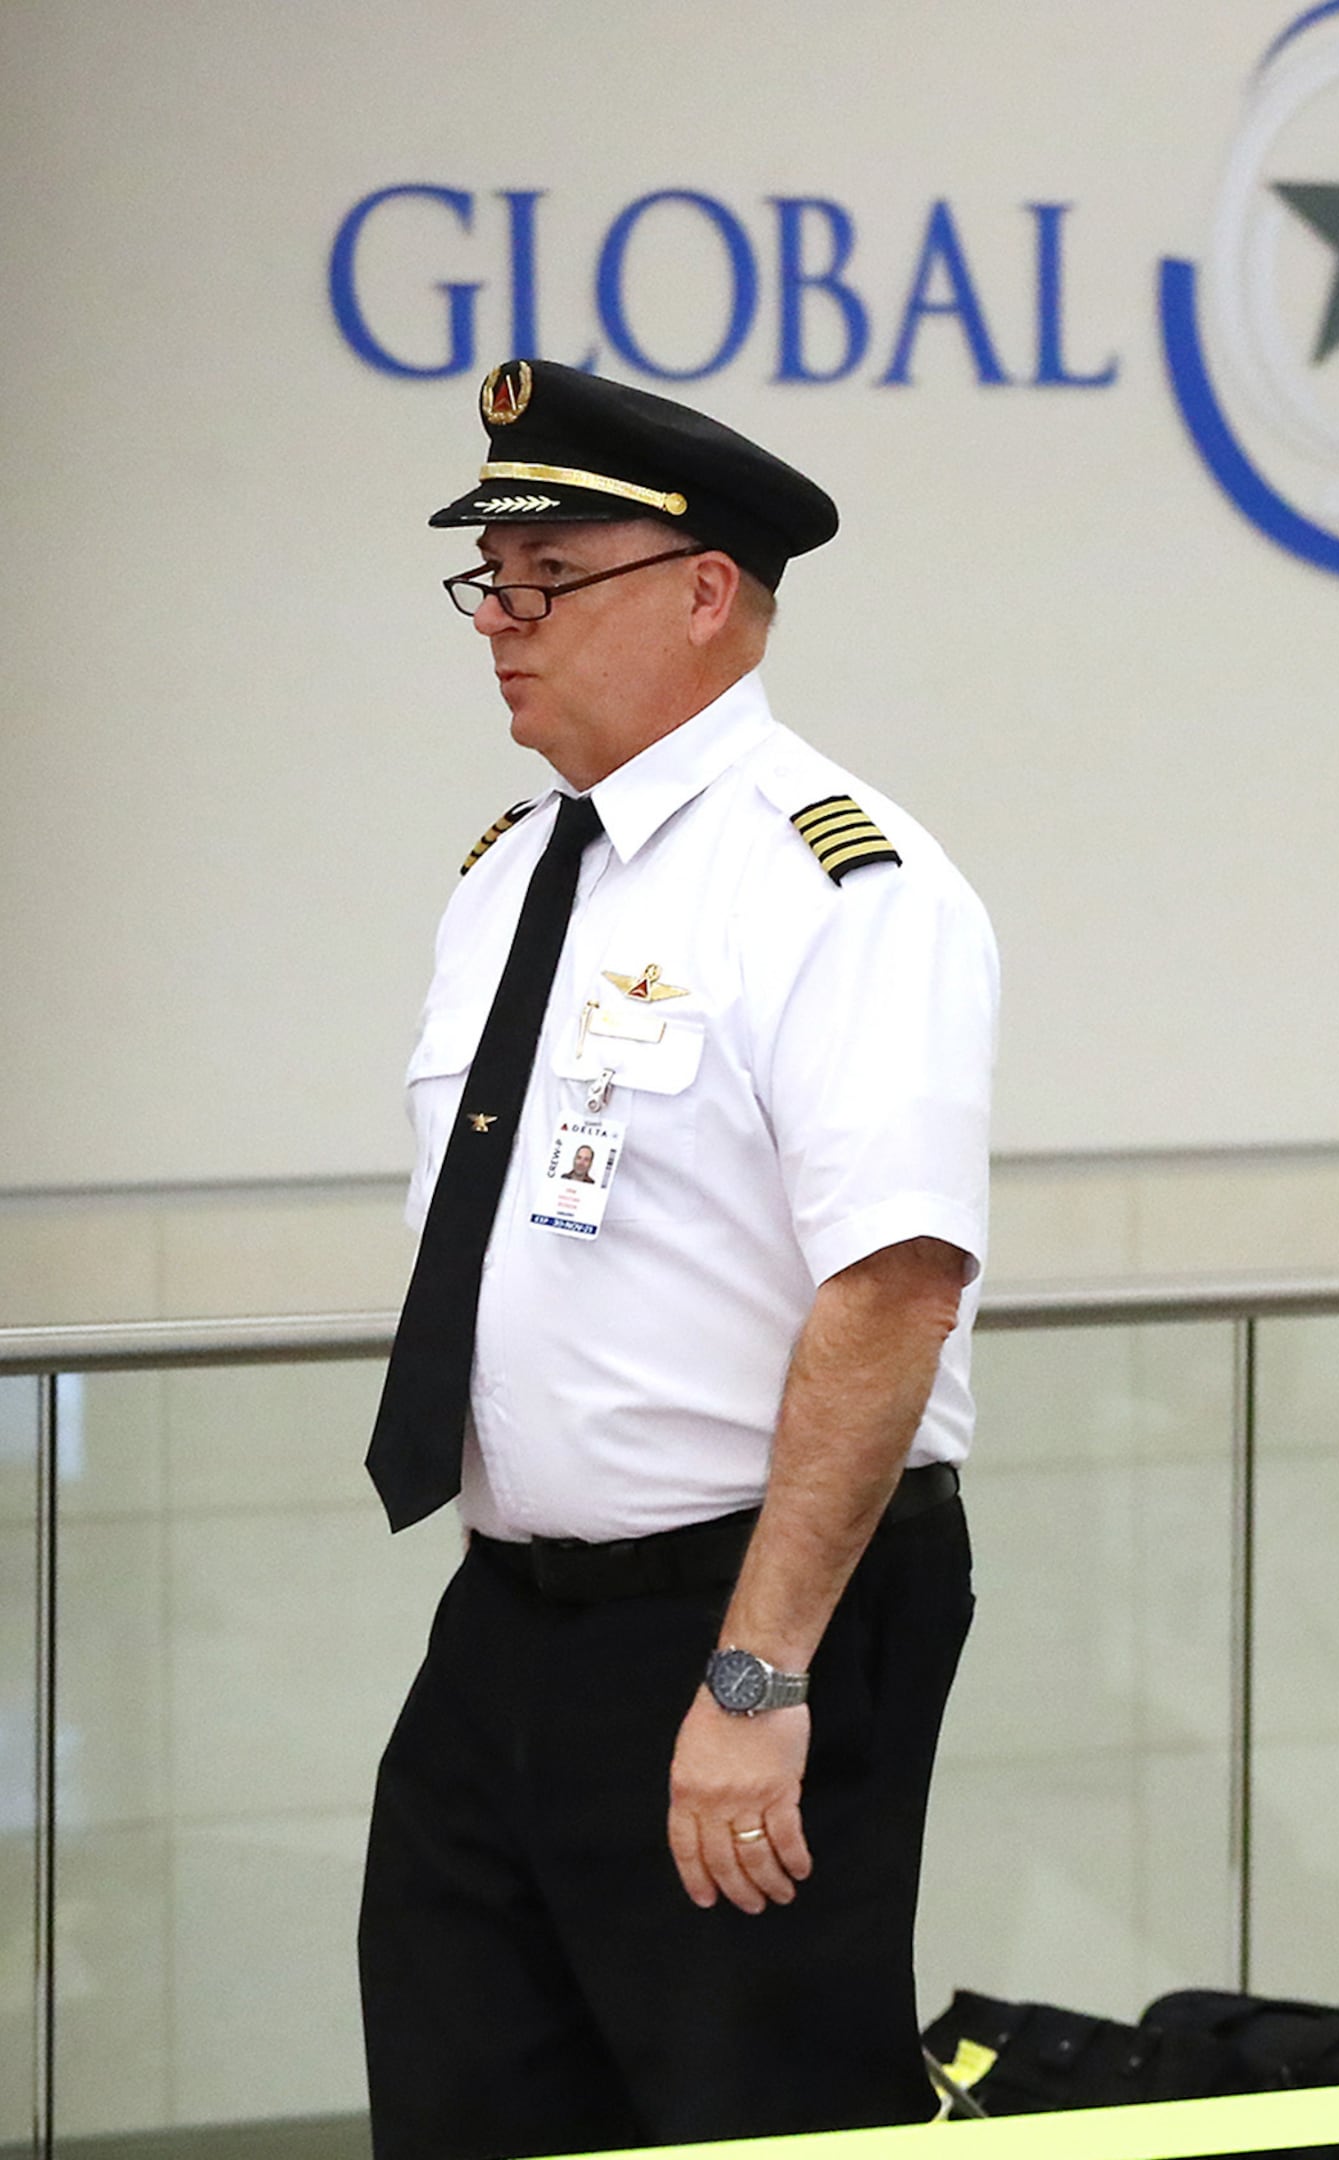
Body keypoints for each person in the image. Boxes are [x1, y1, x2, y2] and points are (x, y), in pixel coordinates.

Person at [359, 359, 999, 2160]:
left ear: (707, 593)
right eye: (493, 580)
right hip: (507, 1614)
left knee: (749, 2112)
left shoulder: (840, 886)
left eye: (552, 577)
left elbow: (890, 1290)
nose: (505, 621)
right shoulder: (507, 876)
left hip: (747, 1618)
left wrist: (757, 1674)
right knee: (458, 2089)